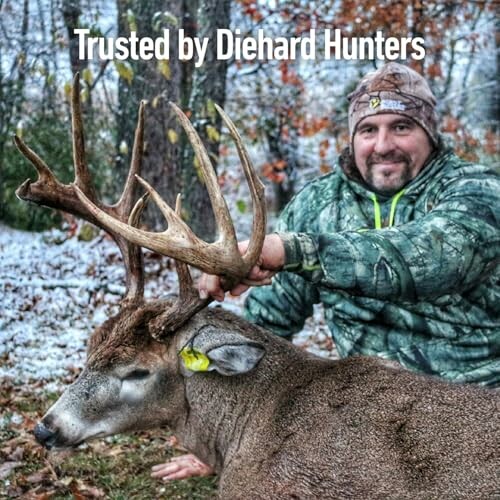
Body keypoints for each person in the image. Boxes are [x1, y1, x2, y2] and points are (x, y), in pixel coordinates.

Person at [152, 62, 500, 482]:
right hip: (372, 417)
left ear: (429, 132)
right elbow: (269, 322)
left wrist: (288, 249)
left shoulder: (476, 190)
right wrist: (224, 431)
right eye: (368, 130)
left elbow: (435, 257)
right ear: (352, 137)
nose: (383, 144)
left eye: (402, 127)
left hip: (478, 410)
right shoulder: (318, 205)